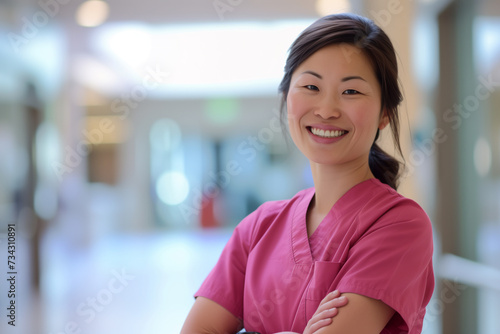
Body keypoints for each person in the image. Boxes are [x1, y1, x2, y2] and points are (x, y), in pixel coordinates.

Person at [181, 13, 434, 334]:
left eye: (351, 91)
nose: (327, 110)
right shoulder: (259, 228)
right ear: (287, 97)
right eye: (311, 86)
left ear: (385, 113)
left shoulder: (399, 225)